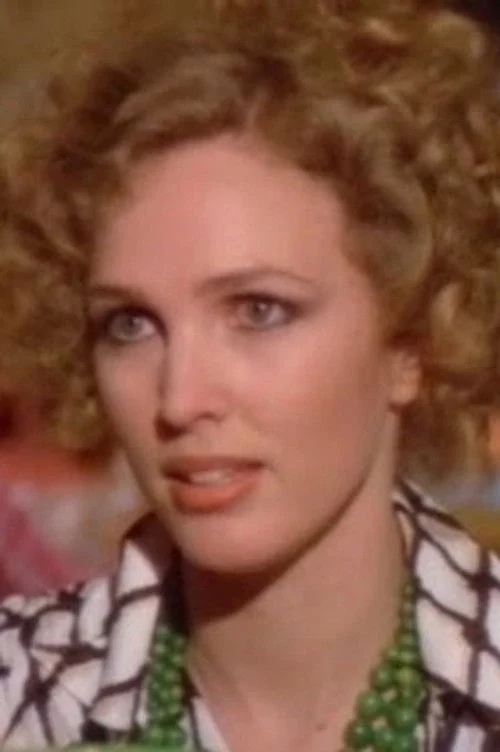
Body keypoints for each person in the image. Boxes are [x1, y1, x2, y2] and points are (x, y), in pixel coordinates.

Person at [0, 0, 499, 749]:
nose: (180, 399)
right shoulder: (21, 698)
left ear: (412, 342)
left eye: (259, 311)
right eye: (130, 324)